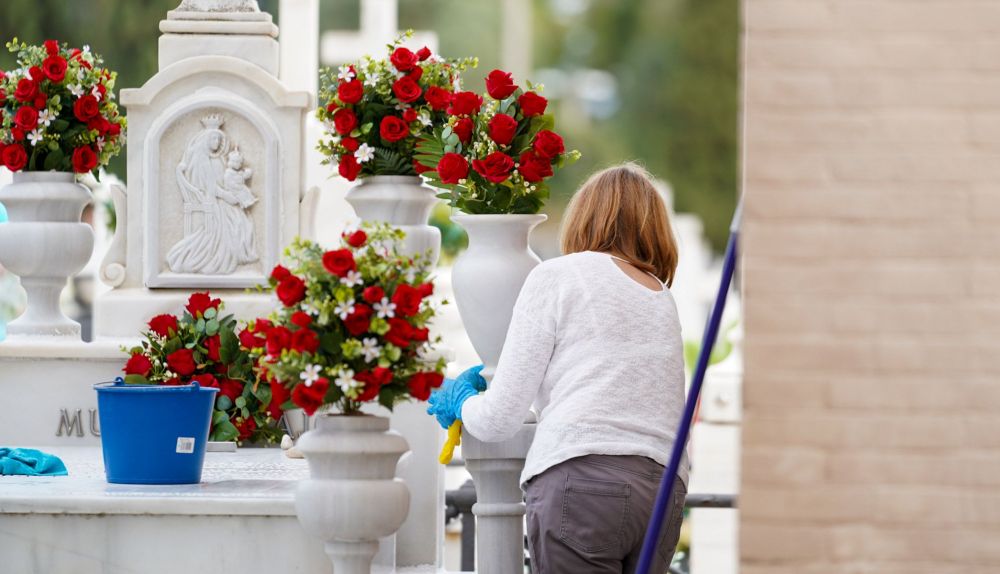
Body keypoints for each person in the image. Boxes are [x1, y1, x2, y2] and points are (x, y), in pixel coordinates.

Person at [428, 163, 689, 574]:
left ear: (584, 216)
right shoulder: (659, 297)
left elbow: (498, 419)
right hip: (662, 492)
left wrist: (459, 402)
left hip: (582, 484)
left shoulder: (558, 275)